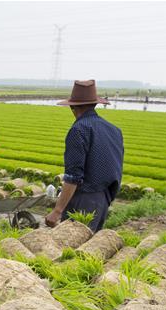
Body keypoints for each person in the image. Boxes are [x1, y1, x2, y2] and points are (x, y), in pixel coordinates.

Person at [45, 79, 124, 232]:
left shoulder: (79, 130)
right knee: (89, 247)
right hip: (103, 199)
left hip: (83, 200)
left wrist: (57, 211)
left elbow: (73, 176)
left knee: (71, 248)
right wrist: (107, 199)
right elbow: (117, 168)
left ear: (73, 107)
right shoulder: (114, 130)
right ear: (95, 104)